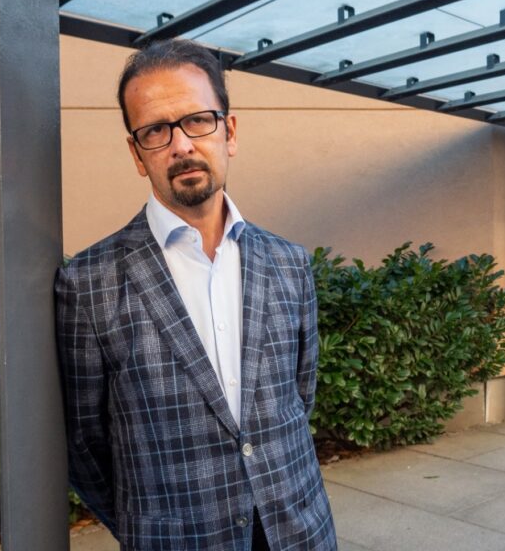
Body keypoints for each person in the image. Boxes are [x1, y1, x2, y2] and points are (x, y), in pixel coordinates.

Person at [55, 39, 336, 550]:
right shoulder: (88, 282)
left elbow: (299, 396)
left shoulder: (290, 263)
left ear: (228, 131)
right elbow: (84, 444)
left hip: (301, 531)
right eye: (156, 131)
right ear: (137, 154)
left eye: (197, 120)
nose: (181, 145)